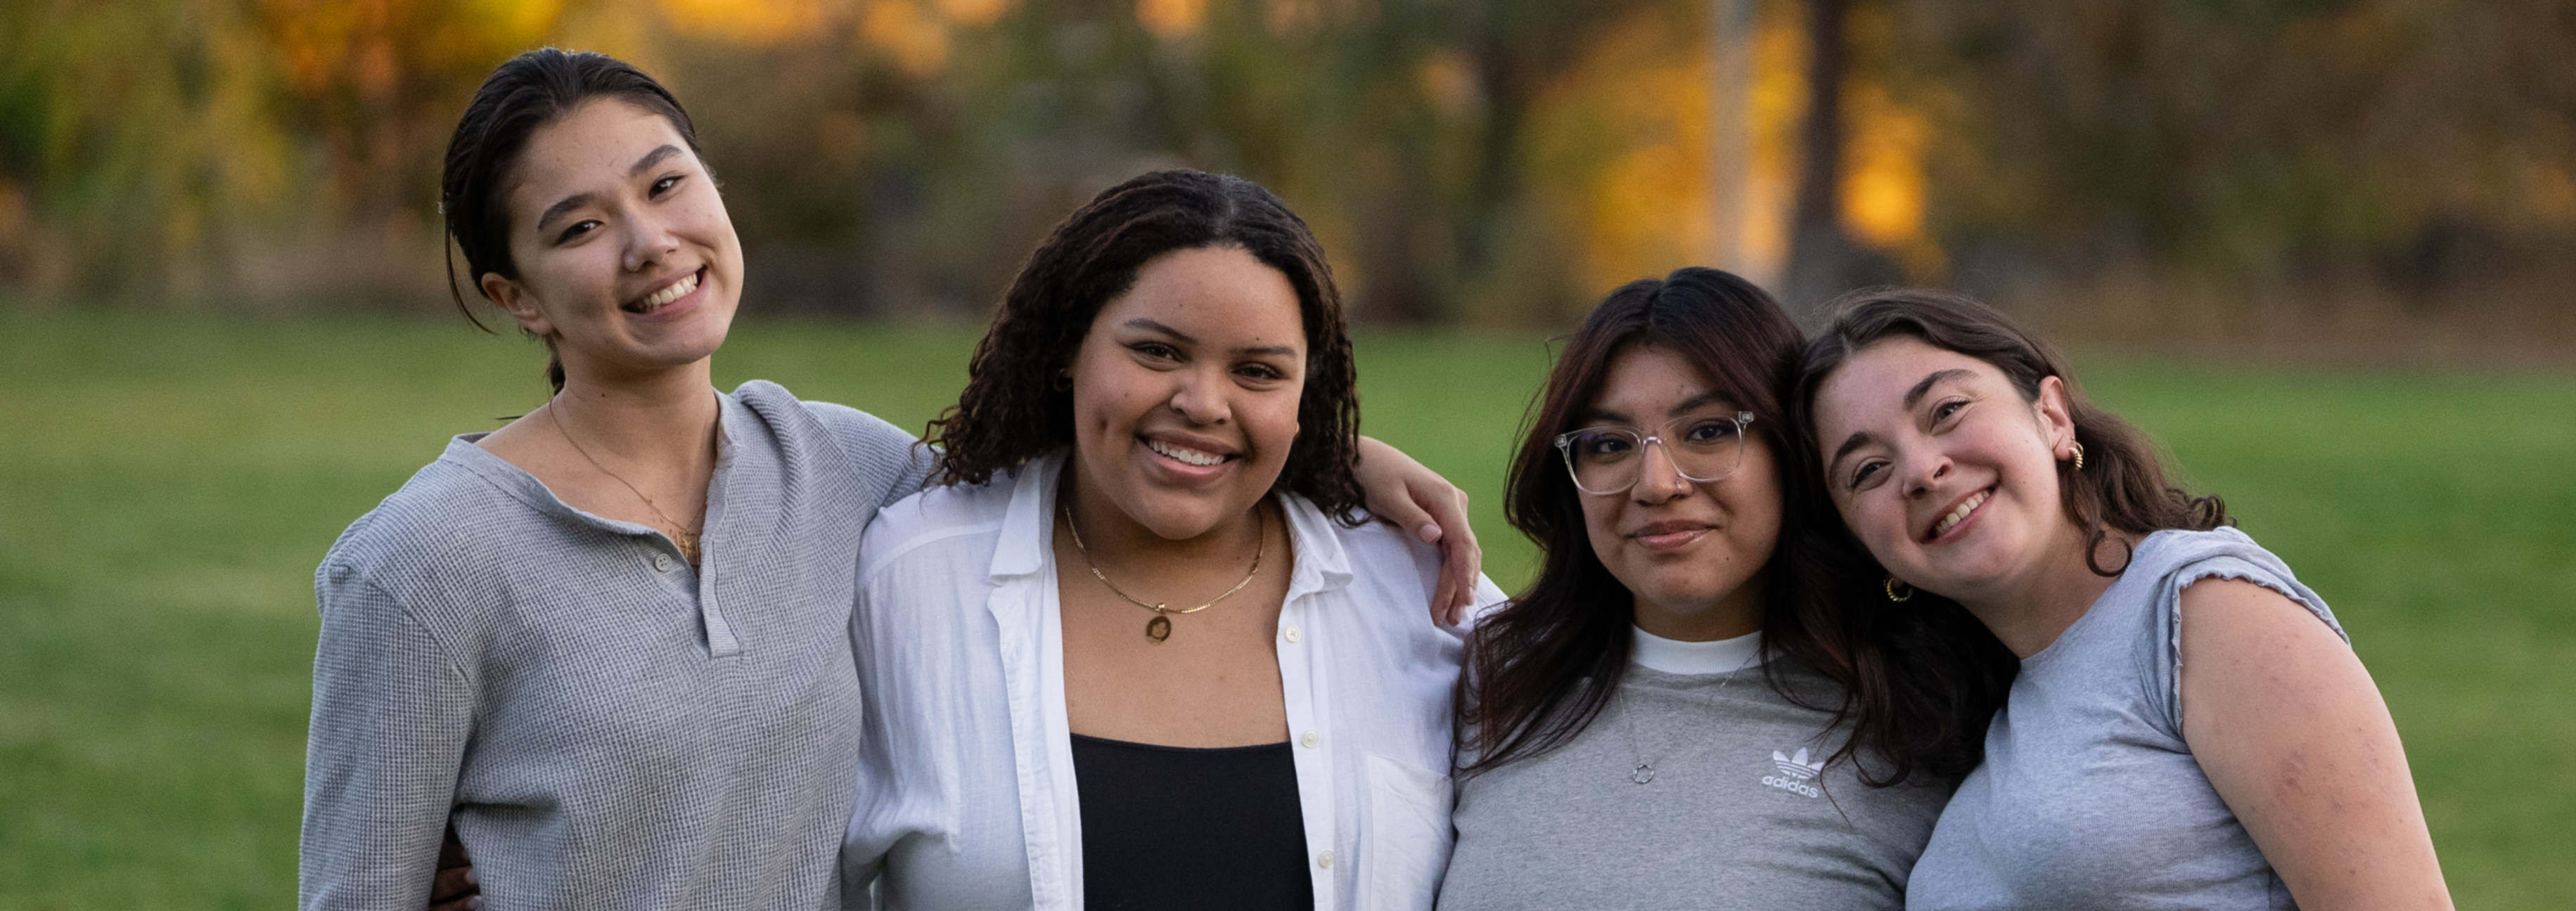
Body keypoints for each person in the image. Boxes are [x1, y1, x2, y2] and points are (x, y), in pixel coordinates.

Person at [305, 50, 1478, 911]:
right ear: (515, 298)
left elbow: (1112, 457)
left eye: (666, 186)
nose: (648, 242)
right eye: (577, 227)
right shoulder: (424, 558)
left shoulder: (849, 473)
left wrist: (1324, 450)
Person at [841, 169, 1498, 910]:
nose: (1202, 403)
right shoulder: (911, 579)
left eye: (1256, 372)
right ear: (1068, 351)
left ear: (1304, 394)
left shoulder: (1420, 591)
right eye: (1157, 352)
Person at [1796, 288, 2454, 910]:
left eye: (1946, 411)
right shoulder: (1997, 711)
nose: (1920, 470)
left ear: (2052, 417)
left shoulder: (2201, 607)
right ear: (1863, 544)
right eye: (1868, 471)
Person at [1435, 269, 2006, 910]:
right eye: (1607, 444)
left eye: (1708, 431)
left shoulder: (1922, 715)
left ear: (1791, 452)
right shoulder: (1487, 675)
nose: (1655, 482)